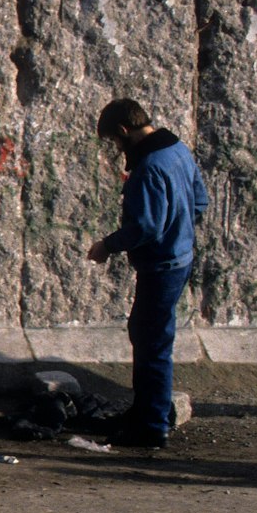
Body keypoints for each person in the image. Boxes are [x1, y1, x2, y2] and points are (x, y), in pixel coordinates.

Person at [86, 97, 208, 450]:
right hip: (180, 257)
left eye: (115, 141)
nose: (118, 149)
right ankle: (145, 413)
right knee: (148, 334)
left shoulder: (149, 167)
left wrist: (107, 245)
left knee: (151, 343)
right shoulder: (178, 150)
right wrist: (180, 226)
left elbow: (147, 226)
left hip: (161, 265)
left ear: (123, 132)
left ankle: (152, 425)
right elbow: (200, 201)